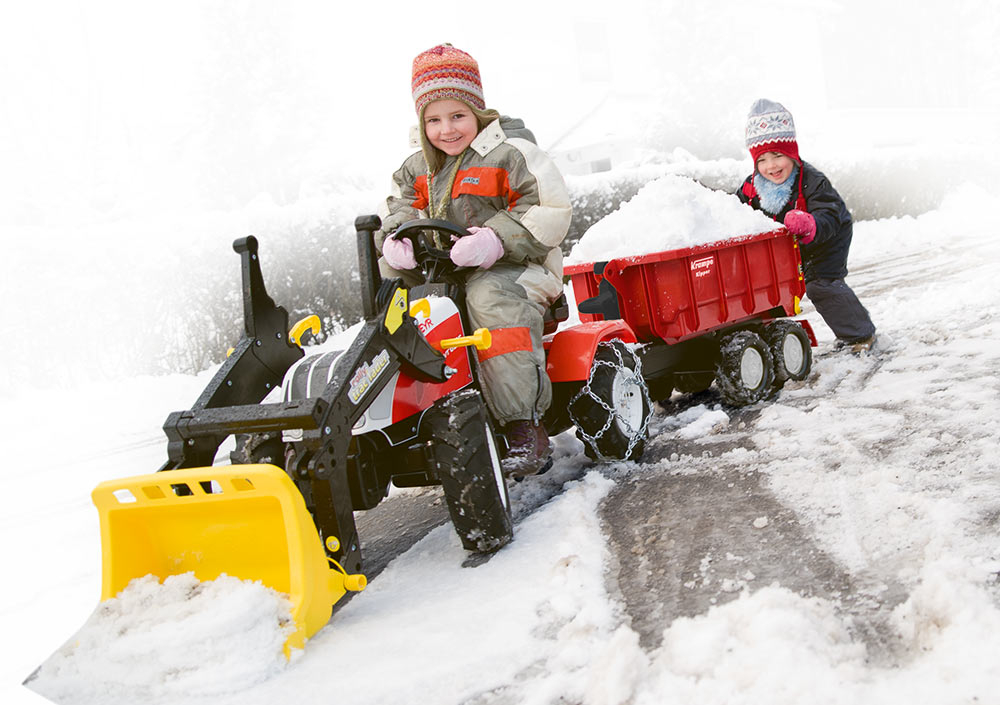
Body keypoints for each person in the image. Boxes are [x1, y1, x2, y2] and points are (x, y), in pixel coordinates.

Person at [374, 43, 572, 476]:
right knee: (395, 301)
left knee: (488, 299)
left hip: (517, 269)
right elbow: (400, 207)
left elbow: (549, 210)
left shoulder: (513, 154)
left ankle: (523, 426)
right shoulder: (415, 169)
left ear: (478, 112)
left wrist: (495, 240)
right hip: (442, 271)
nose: (446, 129)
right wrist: (395, 238)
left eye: (457, 115)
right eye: (433, 119)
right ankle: (393, 414)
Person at [738, 99, 876, 353]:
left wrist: (811, 223)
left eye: (778, 155)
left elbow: (830, 214)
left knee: (820, 284)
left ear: (791, 153)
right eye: (763, 159)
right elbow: (735, 210)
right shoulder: (751, 187)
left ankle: (859, 335)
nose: (772, 166)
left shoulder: (811, 181)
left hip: (826, 241)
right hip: (784, 248)